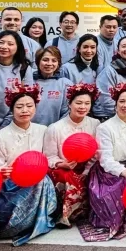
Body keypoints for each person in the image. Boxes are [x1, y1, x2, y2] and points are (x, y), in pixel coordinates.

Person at [0, 84, 56, 246]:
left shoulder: (43, 130)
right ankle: (19, 223)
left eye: (29, 106)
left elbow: (48, 156)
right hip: (10, 184)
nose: (24, 110)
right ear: (12, 109)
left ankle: (40, 217)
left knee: (43, 180)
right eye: (19, 106)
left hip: (37, 179)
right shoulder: (0, 136)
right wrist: (4, 172)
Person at [81, 82, 126, 242]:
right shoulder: (105, 128)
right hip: (108, 171)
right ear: (115, 104)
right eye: (121, 101)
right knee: (115, 194)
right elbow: (106, 158)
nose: (125, 105)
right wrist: (124, 171)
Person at [43, 83, 101, 226]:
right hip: (65, 167)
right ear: (69, 104)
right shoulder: (55, 128)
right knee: (65, 175)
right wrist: (61, 163)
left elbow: (97, 151)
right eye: (79, 103)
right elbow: (49, 156)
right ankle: (66, 214)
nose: (83, 107)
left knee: (98, 173)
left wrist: (87, 169)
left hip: (89, 165)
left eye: (87, 103)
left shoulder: (95, 124)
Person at [94, 36, 126, 121]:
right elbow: (105, 98)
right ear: (117, 50)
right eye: (124, 46)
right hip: (107, 116)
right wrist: (122, 115)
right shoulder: (110, 71)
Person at [31, 47, 73, 126]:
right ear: (38, 62)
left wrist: (55, 130)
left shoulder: (66, 84)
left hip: (56, 131)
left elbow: (67, 113)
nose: (49, 64)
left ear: (58, 64)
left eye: (54, 60)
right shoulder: (28, 82)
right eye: (45, 60)